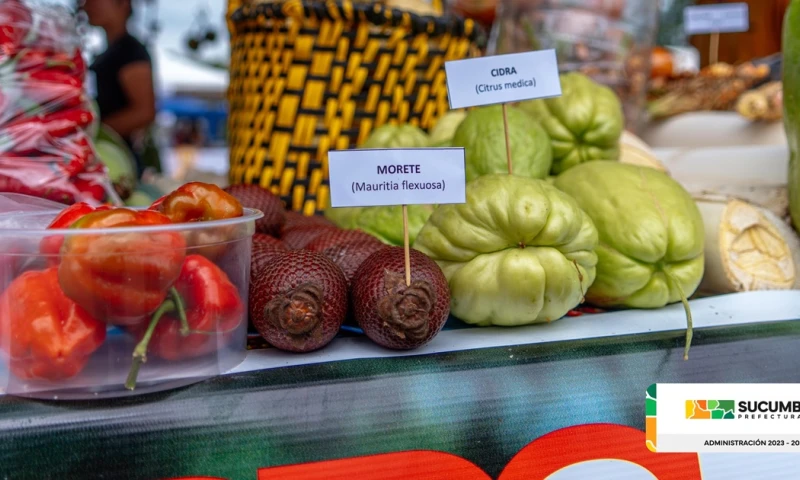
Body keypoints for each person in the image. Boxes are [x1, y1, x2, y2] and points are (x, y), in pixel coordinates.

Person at [82, 0, 157, 179]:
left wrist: (94, 133)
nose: (87, 5)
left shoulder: (130, 51)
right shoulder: (111, 51)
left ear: (123, 4)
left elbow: (144, 112)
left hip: (119, 165)